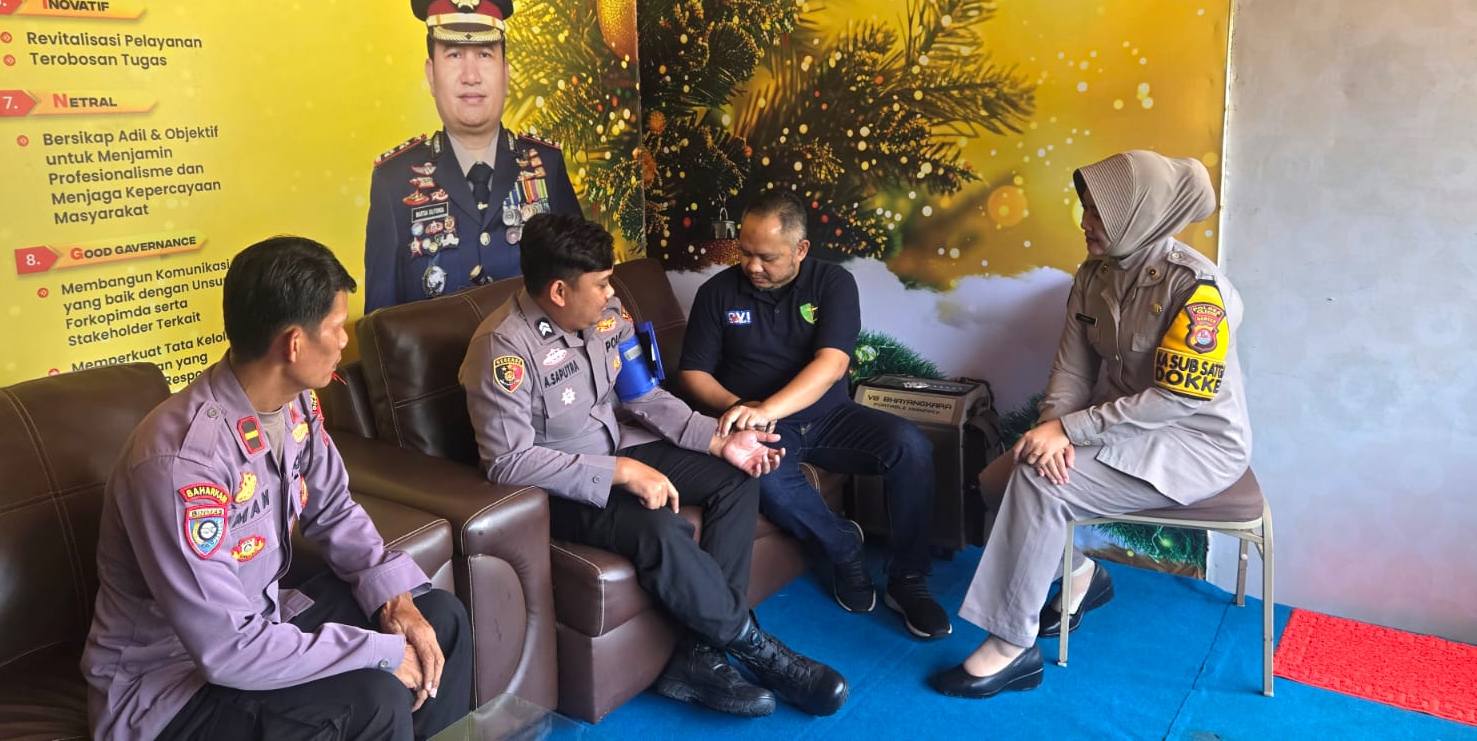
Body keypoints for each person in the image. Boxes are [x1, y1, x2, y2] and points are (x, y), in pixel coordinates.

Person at [459, 213, 849, 719]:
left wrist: (717, 440)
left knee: (735, 478)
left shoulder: (605, 313)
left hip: (620, 446)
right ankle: (756, 647)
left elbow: (642, 395)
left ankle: (699, 655)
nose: (611, 293)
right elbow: (508, 462)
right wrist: (620, 473)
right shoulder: (503, 349)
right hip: (559, 487)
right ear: (558, 291)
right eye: (601, 283)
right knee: (660, 528)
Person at [82, 237, 474, 740]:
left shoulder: (295, 406)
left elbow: (333, 510)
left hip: (263, 624)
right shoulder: (182, 464)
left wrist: (395, 600)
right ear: (293, 344)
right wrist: (378, 652)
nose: (344, 341)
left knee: (441, 620)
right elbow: (226, 651)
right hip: (174, 688)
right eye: (336, 327)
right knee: (371, 696)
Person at [929, 150, 1252, 698]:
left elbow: (1176, 399)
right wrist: (1053, 429)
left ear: (1139, 215)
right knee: (997, 481)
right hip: (1113, 427)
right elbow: (1072, 370)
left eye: (1100, 213)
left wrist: (1071, 433)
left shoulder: (1200, 291)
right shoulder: (1093, 275)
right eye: (1086, 209)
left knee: (1038, 482)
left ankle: (1012, 645)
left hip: (1192, 441)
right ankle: (1081, 574)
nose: (1085, 223)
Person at [679, 190, 952, 640]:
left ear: (800, 249)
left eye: (767, 257)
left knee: (911, 446)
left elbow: (832, 365)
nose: (752, 266)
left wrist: (768, 407)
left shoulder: (833, 284)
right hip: (764, 428)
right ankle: (845, 548)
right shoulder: (717, 293)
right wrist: (737, 406)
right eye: (745, 252)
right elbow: (693, 372)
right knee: (768, 481)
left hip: (831, 417)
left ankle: (908, 578)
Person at [365, 0, 580, 312]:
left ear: (506, 72)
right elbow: (380, 328)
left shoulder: (547, 165)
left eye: (484, 54)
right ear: (431, 74)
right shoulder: (394, 181)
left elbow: (582, 293)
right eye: (454, 55)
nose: (471, 76)